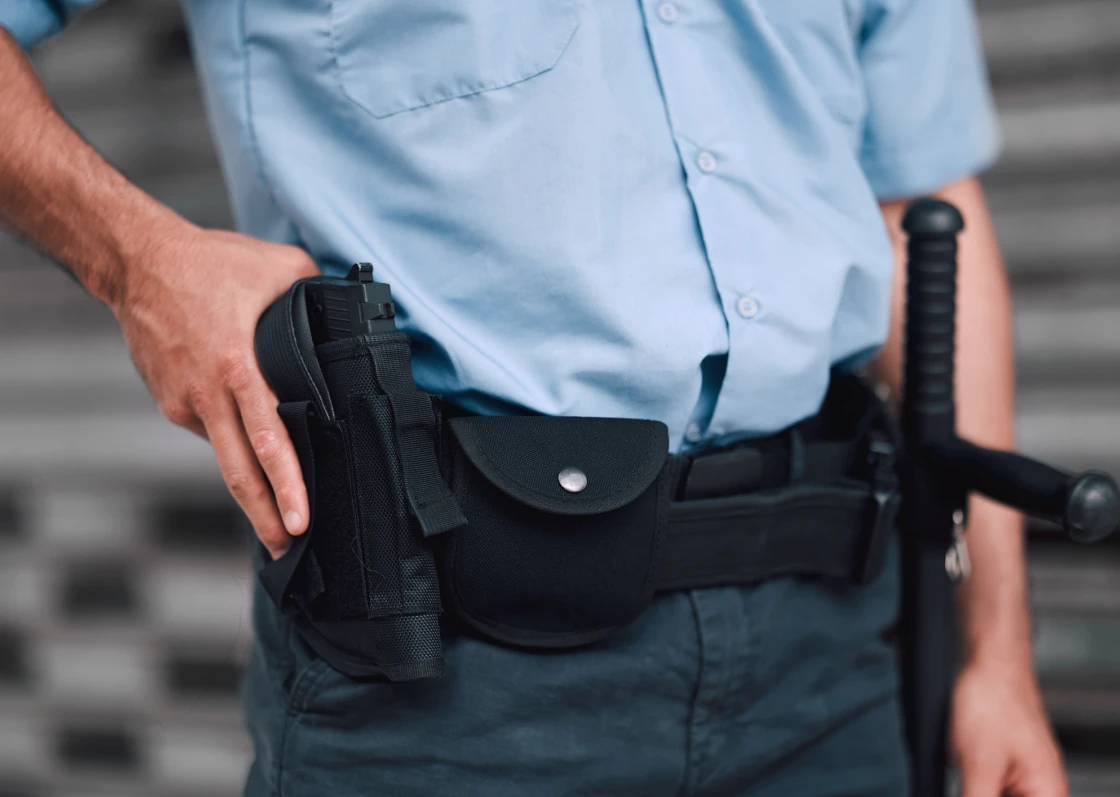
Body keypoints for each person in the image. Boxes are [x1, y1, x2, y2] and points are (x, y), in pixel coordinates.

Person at [0, 2, 1066, 795]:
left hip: (831, 660)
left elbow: (921, 207)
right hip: (453, 686)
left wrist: (997, 651)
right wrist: (137, 263)